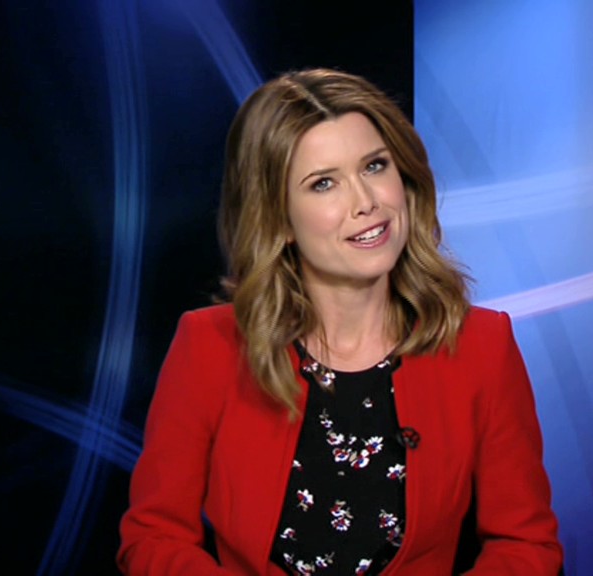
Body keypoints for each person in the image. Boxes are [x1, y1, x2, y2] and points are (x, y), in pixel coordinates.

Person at [118, 68, 562, 575]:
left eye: (374, 166)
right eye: (324, 183)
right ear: (279, 218)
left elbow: (526, 545)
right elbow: (152, 538)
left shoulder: (482, 345)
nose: (366, 202)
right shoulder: (209, 346)